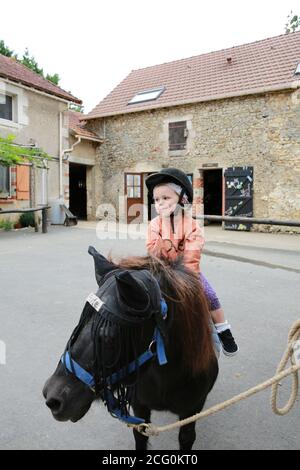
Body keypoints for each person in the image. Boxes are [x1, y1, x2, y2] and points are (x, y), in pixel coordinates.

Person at [145, 168, 238, 356]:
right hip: (160, 269)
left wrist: (187, 278)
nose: (160, 203)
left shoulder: (192, 225)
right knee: (144, 296)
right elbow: (152, 249)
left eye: (166, 198)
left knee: (209, 294)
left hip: (186, 271)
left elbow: (192, 255)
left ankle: (222, 328)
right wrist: (164, 243)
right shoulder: (154, 224)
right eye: (157, 200)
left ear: (182, 199)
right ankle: (147, 335)